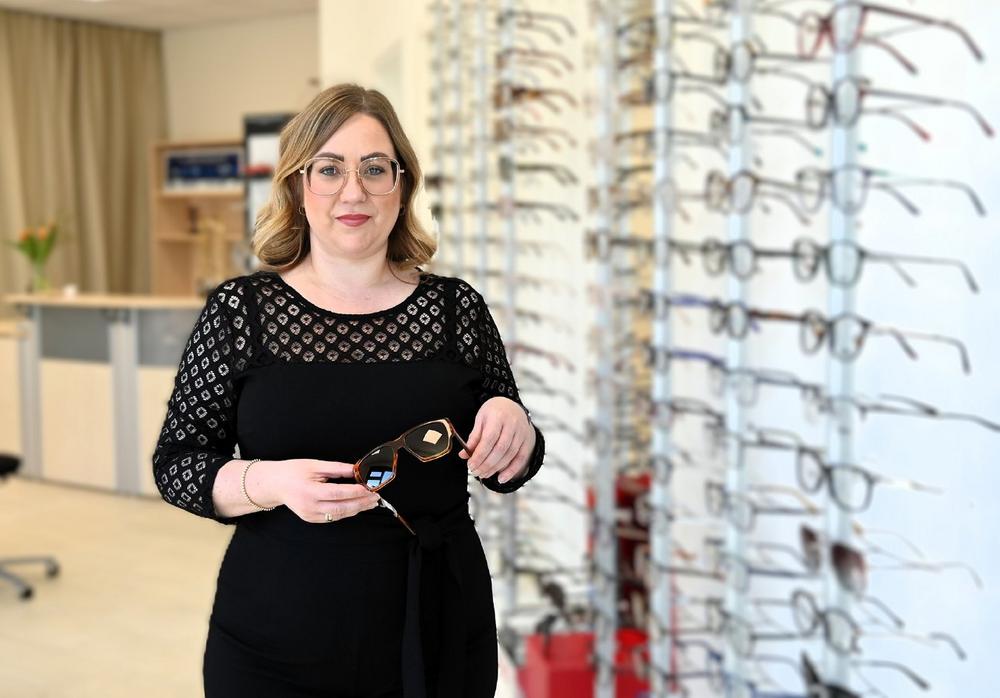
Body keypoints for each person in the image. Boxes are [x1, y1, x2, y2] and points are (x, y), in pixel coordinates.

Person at [152, 83, 545, 698]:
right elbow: (177, 465)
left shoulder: (455, 310)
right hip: (277, 633)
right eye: (329, 169)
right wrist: (269, 483)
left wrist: (514, 423)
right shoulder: (240, 310)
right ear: (297, 186)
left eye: (374, 169)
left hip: (436, 623)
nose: (353, 191)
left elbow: (507, 467)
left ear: (402, 185)